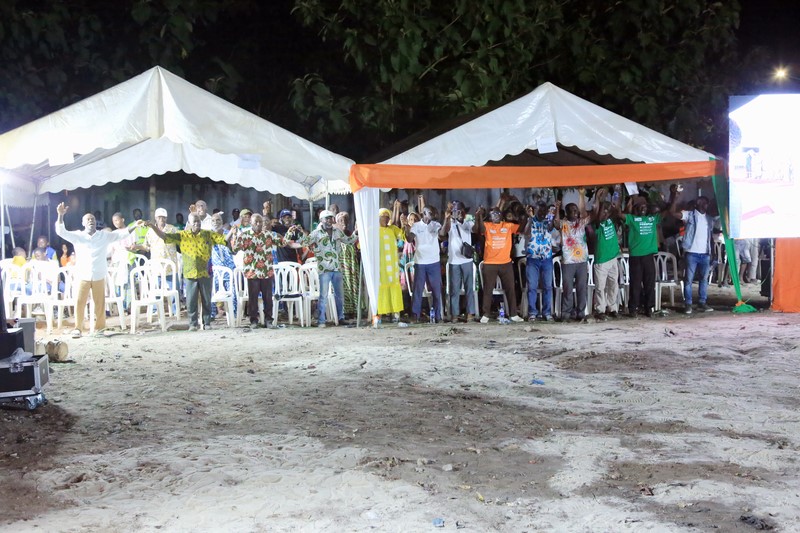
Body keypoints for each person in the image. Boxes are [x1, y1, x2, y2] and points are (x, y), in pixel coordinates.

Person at [55, 202, 143, 337]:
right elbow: (61, 231)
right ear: (83, 223)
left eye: (93, 219)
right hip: (83, 274)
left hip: (98, 274)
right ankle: (78, 328)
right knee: (79, 302)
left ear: (96, 223)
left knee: (100, 304)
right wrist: (60, 216)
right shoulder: (78, 236)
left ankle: (100, 329)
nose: (91, 221)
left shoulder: (104, 235)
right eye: (88, 219)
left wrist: (135, 226)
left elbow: (122, 234)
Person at [147, 213, 226, 331]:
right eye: (194, 222)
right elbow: (164, 236)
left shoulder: (207, 234)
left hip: (205, 272)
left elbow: (223, 240)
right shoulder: (182, 235)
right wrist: (153, 227)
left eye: (198, 221)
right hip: (190, 273)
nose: (197, 224)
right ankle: (193, 324)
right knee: (191, 300)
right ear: (189, 223)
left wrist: (231, 232)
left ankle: (207, 323)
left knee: (206, 299)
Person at [301, 210, 357, 327]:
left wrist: (356, 233)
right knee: (323, 296)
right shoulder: (316, 233)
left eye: (331, 218)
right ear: (321, 220)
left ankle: (340, 318)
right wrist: (298, 235)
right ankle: (321, 320)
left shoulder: (337, 231)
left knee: (339, 295)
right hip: (324, 269)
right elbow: (304, 242)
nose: (329, 220)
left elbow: (349, 241)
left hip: (337, 267)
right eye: (326, 218)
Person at [475, 205, 525, 324]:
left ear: (501, 215)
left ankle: (513, 314)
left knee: (510, 289)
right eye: (492, 214)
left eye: (497, 213)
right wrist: (479, 216)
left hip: (506, 263)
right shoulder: (487, 225)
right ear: (489, 216)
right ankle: (486, 314)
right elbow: (480, 230)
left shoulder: (508, 226)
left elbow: (521, 229)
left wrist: (526, 216)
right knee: (488, 289)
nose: (495, 216)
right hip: (490, 263)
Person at [232, 213, 283, 328]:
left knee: (268, 298)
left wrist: (287, 233)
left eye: (260, 222)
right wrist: (234, 235)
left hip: (266, 271)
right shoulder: (245, 236)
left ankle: (268, 320)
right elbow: (235, 249)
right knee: (253, 298)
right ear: (251, 223)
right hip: (252, 272)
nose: (259, 224)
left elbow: (282, 243)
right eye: (256, 222)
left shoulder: (268, 235)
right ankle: (253, 321)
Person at [670, 186, 716, 314]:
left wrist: (713, 252)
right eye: (702, 202)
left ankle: (702, 302)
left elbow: (710, 237)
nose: (705, 204)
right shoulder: (689, 215)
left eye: (706, 202)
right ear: (697, 204)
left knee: (703, 280)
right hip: (692, 253)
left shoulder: (709, 219)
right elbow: (673, 213)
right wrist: (674, 198)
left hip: (705, 253)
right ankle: (688, 304)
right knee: (688, 280)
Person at [554, 189, 591, 322]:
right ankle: (566, 313)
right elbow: (555, 223)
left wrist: (581, 196)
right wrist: (557, 208)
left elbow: (586, 214)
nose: (575, 213)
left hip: (581, 261)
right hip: (568, 261)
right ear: (567, 212)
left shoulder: (581, 223)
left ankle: (581, 312)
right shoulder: (563, 224)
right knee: (568, 288)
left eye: (576, 211)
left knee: (582, 287)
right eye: (572, 211)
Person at [440, 200, 476, 323]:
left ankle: (470, 313)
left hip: (467, 260)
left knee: (469, 288)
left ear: (464, 212)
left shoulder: (468, 223)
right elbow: (442, 233)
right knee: (454, 289)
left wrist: (477, 216)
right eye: (455, 211)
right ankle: (454, 314)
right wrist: (447, 218)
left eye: (460, 211)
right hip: (454, 261)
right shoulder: (450, 223)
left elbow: (476, 229)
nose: (458, 213)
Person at [407, 205, 444, 323]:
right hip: (420, 262)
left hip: (434, 262)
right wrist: (406, 227)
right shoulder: (416, 226)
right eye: (430, 213)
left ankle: (437, 316)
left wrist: (447, 219)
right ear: (424, 213)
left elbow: (442, 236)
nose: (433, 215)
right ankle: (415, 315)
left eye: (433, 213)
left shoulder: (436, 225)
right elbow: (409, 239)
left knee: (436, 290)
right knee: (418, 290)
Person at [591, 188, 622, 320]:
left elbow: (616, 209)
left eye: (607, 211)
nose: (605, 212)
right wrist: (598, 199)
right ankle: (600, 309)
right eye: (603, 211)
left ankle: (612, 308)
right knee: (600, 287)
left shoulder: (611, 221)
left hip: (613, 258)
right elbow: (598, 216)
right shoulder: (597, 224)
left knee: (613, 285)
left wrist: (616, 193)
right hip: (602, 260)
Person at [523, 200, 555, 322]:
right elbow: (526, 233)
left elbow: (551, 227)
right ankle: (532, 312)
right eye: (539, 210)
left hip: (546, 259)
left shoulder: (548, 221)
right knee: (532, 287)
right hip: (533, 259)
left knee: (548, 286)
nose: (541, 212)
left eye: (543, 210)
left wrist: (551, 216)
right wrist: (530, 218)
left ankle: (547, 312)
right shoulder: (530, 220)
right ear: (534, 210)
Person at [377, 207, 405, 323]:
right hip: (380, 266)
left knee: (394, 286)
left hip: (392, 266)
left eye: (387, 217)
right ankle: (380, 314)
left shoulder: (393, 229)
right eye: (383, 216)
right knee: (381, 288)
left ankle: (396, 314)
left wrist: (403, 224)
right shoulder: (373, 230)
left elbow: (403, 236)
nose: (386, 219)